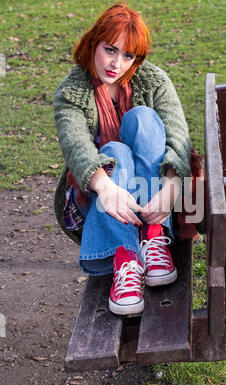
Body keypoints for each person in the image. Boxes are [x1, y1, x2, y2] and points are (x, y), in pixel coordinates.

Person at [53, 2, 192, 316]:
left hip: (155, 194)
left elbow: (177, 135)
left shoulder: (153, 80)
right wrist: (105, 187)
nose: (117, 63)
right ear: (93, 43)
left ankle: (153, 238)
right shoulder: (71, 93)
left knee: (143, 118)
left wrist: (170, 190)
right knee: (114, 153)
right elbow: (77, 147)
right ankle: (125, 259)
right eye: (110, 50)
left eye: (128, 55)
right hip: (97, 196)